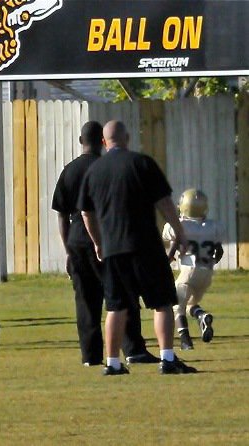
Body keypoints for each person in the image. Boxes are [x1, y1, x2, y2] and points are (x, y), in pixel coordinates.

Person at [78, 120, 197, 375]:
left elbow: (86, 212)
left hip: (113, 248)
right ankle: (167, 358)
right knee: (162, 302)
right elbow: (164, 202)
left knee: (116, 306)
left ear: (103, 142)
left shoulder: (95, 171)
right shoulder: (142, 163)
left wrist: (98, 242)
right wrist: (179, 231)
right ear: (128, 138)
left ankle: (112, 363)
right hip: (145, 245)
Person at [51, 121, 158, 366]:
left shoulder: (69, 171)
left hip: (77, 240)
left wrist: (68, 249)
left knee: (86, 300)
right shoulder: (105, 167)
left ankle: (90, 355)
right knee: (122, 295)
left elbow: (61, 213)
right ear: (103, 141)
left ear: (80, 141)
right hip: (106, 238)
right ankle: (133, 349)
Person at [162, 188, 224, 350]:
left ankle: (185, 340)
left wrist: (169, 256)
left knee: (176, 306)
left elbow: (174, 238)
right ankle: (202, 316)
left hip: (189, 270)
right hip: (207, 273)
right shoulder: (213, 226)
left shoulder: (180, 225)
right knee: (190, 304)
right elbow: (219, 251)